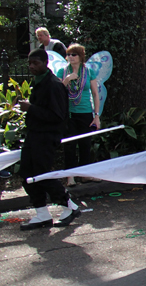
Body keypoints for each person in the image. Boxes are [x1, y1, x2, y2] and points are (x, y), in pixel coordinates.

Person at [18, 48, 81, 231]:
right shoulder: (39, 82)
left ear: (45, 63)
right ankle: (42, 214)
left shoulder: (53, 85)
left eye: (35, 63)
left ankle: (69, 206)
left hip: (46, 137)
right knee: (28, 175)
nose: (31, 67)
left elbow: (58, 116)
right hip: (34, 135)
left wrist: (31, 109)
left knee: (43, 175)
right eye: (29, 63)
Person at [56, 44, 102, 187]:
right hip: (69, 113)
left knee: (85, 144)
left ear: (81, 56)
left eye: (74, 54)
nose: (70, 57)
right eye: (68, 54)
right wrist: (68, 79)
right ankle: (70, 176)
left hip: (85, 112)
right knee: (70, 145)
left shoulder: (88, 72)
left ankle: (85, 174)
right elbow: (57, 92)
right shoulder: (62, 71)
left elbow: (95, 93)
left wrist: (96, 115)